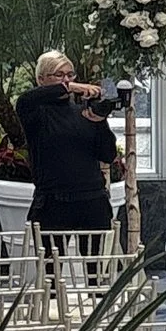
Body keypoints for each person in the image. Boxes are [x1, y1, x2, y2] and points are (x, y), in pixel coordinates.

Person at [14, 50, 121, 248]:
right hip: (53, 202)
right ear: (41, 79)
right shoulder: (35, 113)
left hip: (91, 200)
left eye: (70, 75)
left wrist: (100, 123)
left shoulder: (84, 112)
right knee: (51, 271)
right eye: (59, 75)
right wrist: (70, 86)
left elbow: (107, 154)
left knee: (96, 272)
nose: (67, 80)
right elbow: (25, 100)